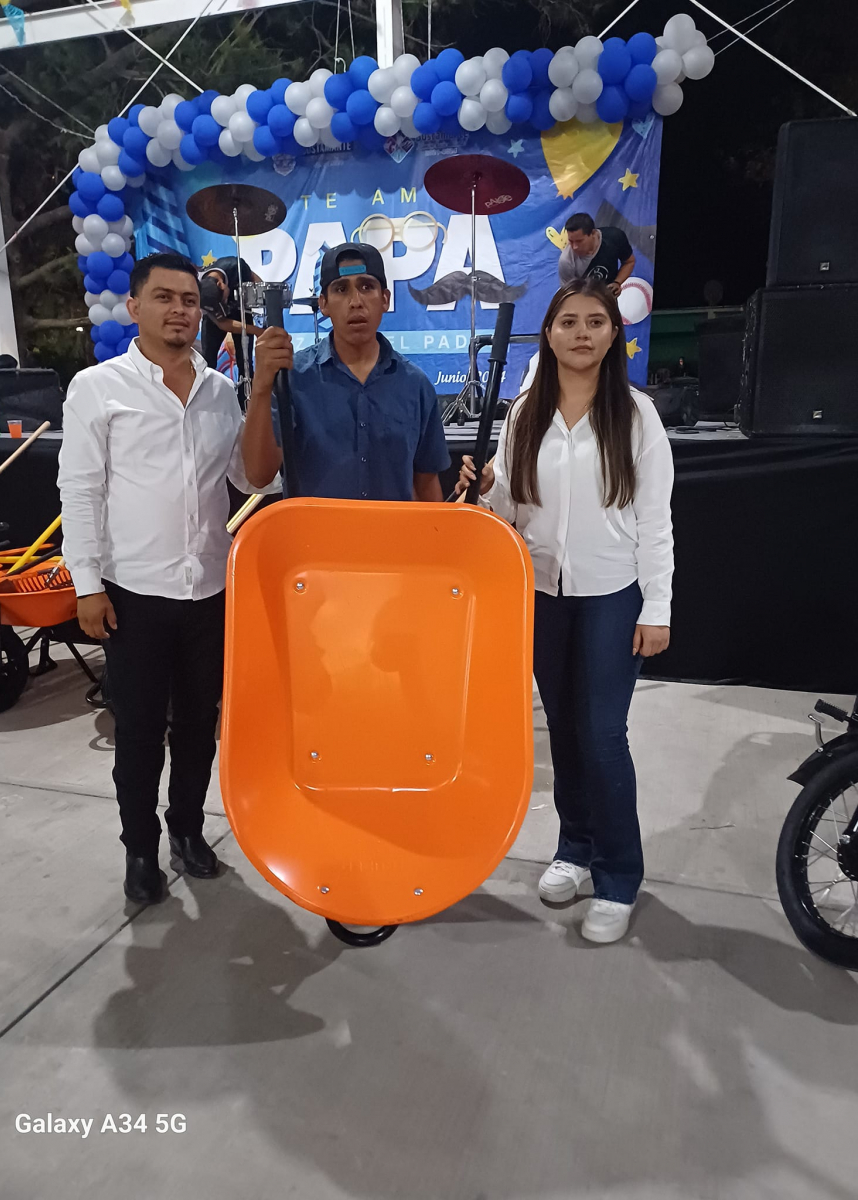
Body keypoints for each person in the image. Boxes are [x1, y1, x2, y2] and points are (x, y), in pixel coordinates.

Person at [457, 278, 673, 945]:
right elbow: (510, 510)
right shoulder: (526, 413)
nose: (582, 333)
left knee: (604, 735)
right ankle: (574, 849)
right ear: (548, 335)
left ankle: (618, 876)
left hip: (613, 596)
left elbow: (655, 521)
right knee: (566, 732)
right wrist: (484, 489)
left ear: (613, 334)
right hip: (542, 596)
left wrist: (658, 606)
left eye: (595, 322)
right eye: (569, 322)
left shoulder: (636, 416)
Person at [58, 252, 266, 906]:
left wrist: (266, 400)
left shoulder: (220, 391)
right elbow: (80, 491)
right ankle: (140, 850)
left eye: (190, 300)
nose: (180, 309)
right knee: (140, 733)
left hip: (209, 591)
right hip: (133, 595)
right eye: (165, 297)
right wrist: (87, 583)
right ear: (134, 307)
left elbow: (250, 477)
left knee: (199, 727)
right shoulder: (98, 387)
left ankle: (187, 830)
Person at [242, 243, 449, 501]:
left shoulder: (415, 385)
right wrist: (261, 386)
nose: (356, 302)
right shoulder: (293, 377)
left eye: (367, 287)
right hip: (312, 529)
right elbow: (258, 476)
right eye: (341, 289)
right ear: (324, 304)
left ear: (385, 299)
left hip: (393, 529)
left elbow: (427, 484)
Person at [199, 257, 262, 409]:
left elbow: (257, 282)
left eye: (223, 299)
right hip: (215, 321)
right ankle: (207, 402)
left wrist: (261, 296)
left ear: (221, 283)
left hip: (241, 310)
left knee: (245, 361)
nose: (224, 304)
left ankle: (245, 404)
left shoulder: (236, 267)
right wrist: (256, 330)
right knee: (207, 361)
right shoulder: (200, 290)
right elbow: (223, 323)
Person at [558, 213, 635, 296]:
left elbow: (629, 262)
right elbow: (569, 294)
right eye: (571, 241)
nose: (574, 247)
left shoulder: (615, 238)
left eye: (579, 241)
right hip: (583, 299)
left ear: (593, 233)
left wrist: (617, 282)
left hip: (609, 298)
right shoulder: (566, 261)